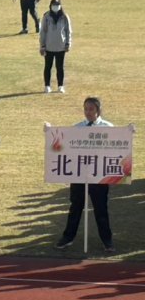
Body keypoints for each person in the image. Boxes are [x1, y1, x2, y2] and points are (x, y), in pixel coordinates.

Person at [56, 97, 116, 252]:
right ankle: (68, 237)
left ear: (98, 110)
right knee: (75, 207)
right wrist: (49, 131)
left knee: (101, 208)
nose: (88, 112)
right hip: (79, 175)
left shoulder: (109, 128)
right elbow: (63, 142)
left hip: (99, 176)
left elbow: (118, 146)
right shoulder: (78, 127)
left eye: (91, 109)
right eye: (85, 109)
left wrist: (129, 132)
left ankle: (107, 240)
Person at [40, 0, 72, 94]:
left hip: (61, 46)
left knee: (60, 67)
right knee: (48, 66)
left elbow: (68, 31)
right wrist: (42, 45)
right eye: (54, 5)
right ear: (50, 6)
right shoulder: (46, 16)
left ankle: (60, 86)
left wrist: (68, 43)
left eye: (57, 5)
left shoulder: (64, 17)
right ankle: (47, 86)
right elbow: (43, 32)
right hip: (49, 46)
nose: (56, 7)